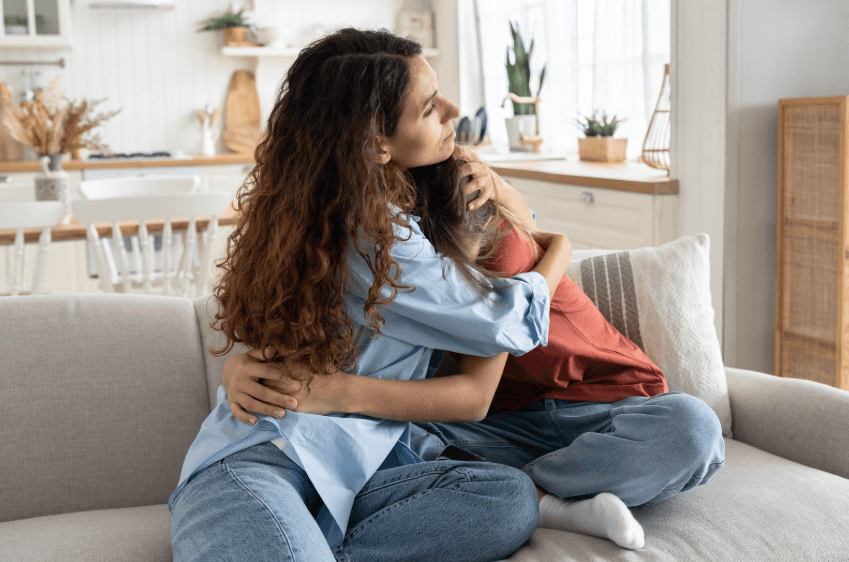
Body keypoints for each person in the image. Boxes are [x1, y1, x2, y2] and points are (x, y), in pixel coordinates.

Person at [170, 28, 575, 562]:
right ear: (374, 143)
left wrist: (500, 191)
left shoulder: (360, 210)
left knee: (505, 497)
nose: (454, 111)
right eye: (430, 108)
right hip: (265, 461)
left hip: (360, 473)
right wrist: (563, 250)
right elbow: (501, 319)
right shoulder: (370, 232)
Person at [224, 157, 727, 551]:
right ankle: (551, 496)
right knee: (370, 443)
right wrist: (242, 367)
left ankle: (541, 495)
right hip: (493, 430)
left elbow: (489, 352)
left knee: (691, 428)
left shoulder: (484, 231)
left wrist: (546, 237)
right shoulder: (387, 253)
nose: (449, 115)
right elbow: (327, 332)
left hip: (604, 406)